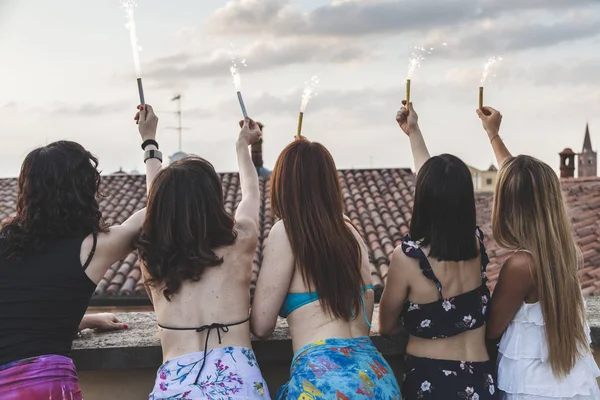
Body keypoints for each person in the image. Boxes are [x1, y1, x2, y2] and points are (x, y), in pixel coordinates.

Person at [0, 105, 160, 400]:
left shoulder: (4, 239)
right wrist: (149, 142)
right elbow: (158, 206)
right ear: (85, 188)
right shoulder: (93, 247)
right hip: (47, 386)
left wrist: (80, 320)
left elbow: (17, 313)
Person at [251, 138, 402, 400]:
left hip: (326, 381)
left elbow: (262, 325)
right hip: (377, 378)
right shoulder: (352, 234)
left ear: (284, 185)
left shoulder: (286, 231)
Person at [139, 116, 270, 400]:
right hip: (239, 384)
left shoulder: (152, 257)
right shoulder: (241, 242)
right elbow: (250, 193)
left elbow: (156, 208)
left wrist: (150, 144)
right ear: (214, 196)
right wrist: (242, 147)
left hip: (175, 385)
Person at [478, 106, 600, 399]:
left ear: (509, 208)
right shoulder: (559, 250)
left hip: (534, 389)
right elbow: (526, 187)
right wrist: (493, 135)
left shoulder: (521, 265)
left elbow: (492, 329)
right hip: (568, 385)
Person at [379, 102, 498, 400]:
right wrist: (414, 133)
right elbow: (437, 185)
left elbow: (386, 325)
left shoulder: (408, 258)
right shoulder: (473, 243)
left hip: (432, 381)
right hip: (480, 379)